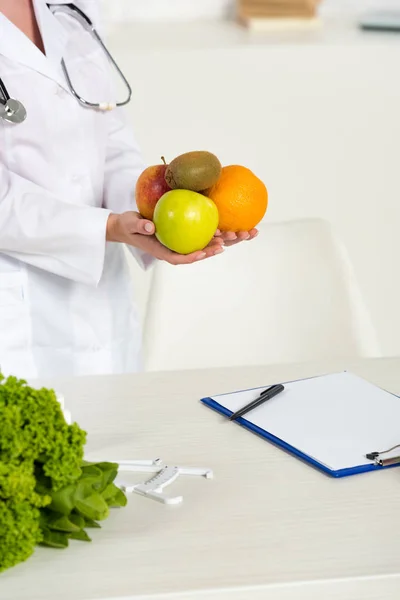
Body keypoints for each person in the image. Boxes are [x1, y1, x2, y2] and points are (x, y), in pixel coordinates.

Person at [0, 0, 257, 379]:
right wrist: (108, 227)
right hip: (15, 317)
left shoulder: (73, 7)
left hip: (104, 313)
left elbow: (112, 140)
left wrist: (150, 216)